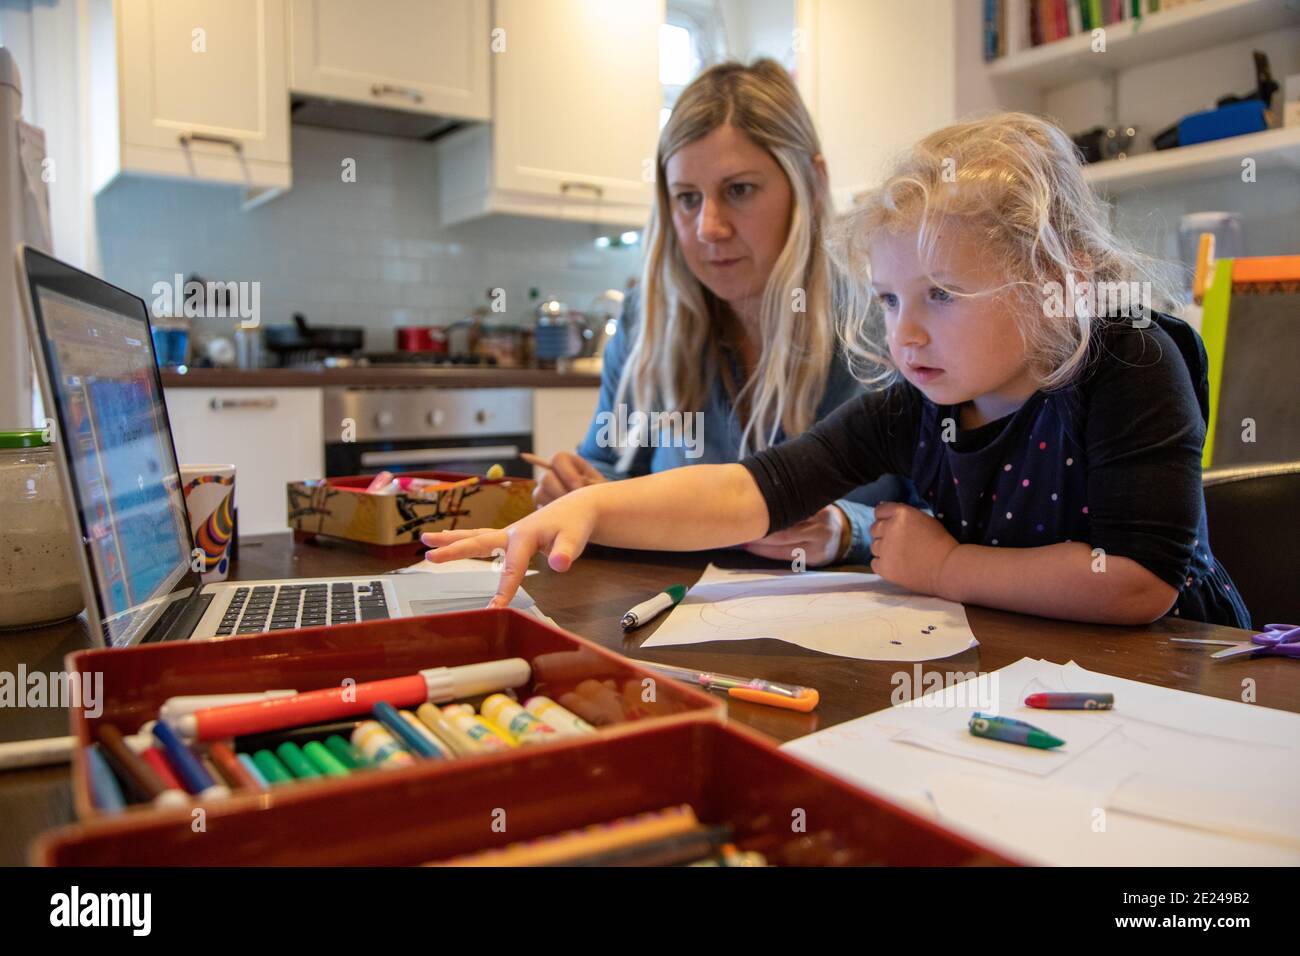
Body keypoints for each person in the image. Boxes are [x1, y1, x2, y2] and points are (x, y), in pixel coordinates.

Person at [425, 112, 1249, 628]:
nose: (907, 334)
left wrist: (946, 568)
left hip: (1187, 667)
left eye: (943, 295)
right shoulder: (916, 402)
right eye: (890, 300)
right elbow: (750, 488)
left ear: (1055, 283)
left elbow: (1139, 581)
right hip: (1027, 663)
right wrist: (593, 509)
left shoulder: (1127, 359)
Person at [530, 58, 916, 567]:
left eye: (739, 190)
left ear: (812, 182)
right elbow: (612, 464)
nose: (708, 227)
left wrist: (848, 529)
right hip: (664, 616)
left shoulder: (884, 326)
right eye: (687, 198)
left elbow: (948, 510)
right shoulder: (646, 322)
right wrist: (581, 491)